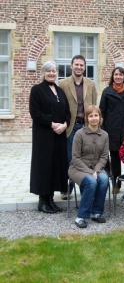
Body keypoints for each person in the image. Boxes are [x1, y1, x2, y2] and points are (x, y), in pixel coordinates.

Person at [29, 60, 71, 213]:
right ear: (43, 72)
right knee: (45, 166)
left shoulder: (60, 91)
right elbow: (36, 113)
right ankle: (43, 201)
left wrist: (65, 125)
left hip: (59, 135)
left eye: (54, 71)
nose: (52, 73)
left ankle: (51, 200)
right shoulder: (37, 90)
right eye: (48, 71)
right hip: (44, 136)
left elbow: (67, 111)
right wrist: (53, 125)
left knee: (56, 166)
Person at [58, 55, 97, 200]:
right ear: (71, 66)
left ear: (85, 67)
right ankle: (67, 189)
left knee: (85, 158)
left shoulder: (91, 84)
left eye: (82, 65)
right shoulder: (62, 84)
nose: (79, 67)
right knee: (70, 158)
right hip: (71, 126)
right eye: (77, 65)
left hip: (86, 126)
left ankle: (84, 187)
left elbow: (93, 106)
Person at [99, 67, 124, 195]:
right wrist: (103, 128)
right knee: (115, 158)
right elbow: (102, 111)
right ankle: (116, 183)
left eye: (121, 75)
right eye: (116, 74)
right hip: (112, 130)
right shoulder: (107, 92)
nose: (118, 77)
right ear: (113, 76)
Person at [68, 105, 109, 228]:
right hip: (77, 168)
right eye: (91, 116)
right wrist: (90, 172)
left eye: (96, 115)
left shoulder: (105, 135)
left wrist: (96, 170)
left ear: (100, 117)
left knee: (104, 179)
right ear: (86, 118)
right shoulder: (80, 134)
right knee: (91, 182)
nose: (94, 118)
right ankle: (81, 216)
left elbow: (104, 157)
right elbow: (75, 158)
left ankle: (96, 212)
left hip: (96, 168)